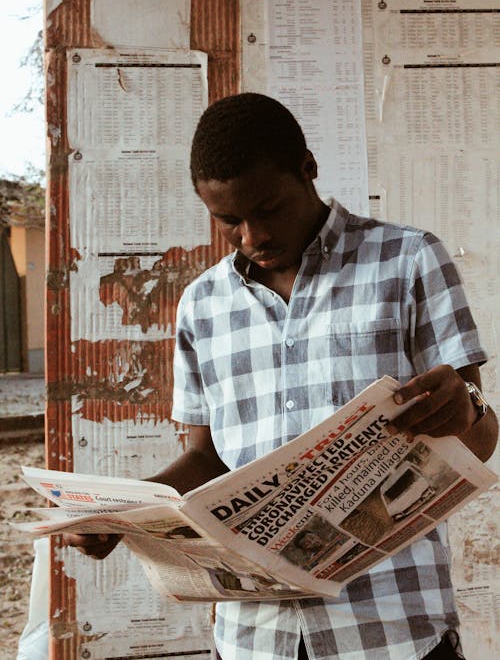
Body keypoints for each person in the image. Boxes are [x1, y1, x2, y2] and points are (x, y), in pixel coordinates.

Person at [64, 93, 497, 660]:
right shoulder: (202, 304)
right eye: (228, 221)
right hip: (253, 638)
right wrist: (129, 514)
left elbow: (479, 436)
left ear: (307, 170)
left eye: (268, 209)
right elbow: (209, 460)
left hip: (392, 630)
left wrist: (465, 405)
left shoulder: (408, 260)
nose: (252, 236)